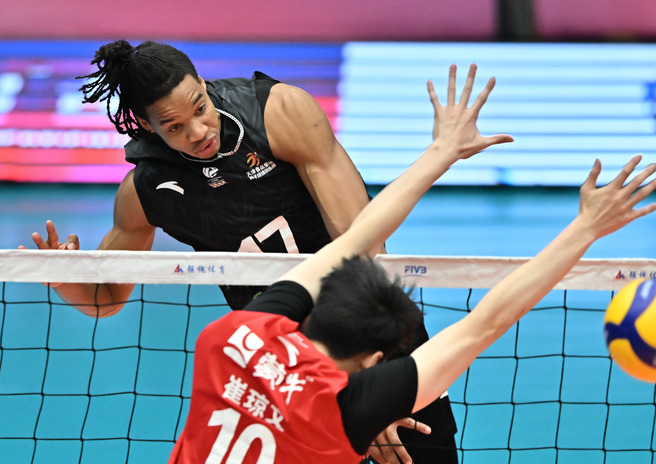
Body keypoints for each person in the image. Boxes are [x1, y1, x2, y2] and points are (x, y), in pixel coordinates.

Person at [168, 65, 656, 463]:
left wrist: (442, 151)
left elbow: (355, 240)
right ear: (371, 362)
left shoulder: (228, 337)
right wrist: (586, 228)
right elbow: (486, 323)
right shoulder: (346, 411)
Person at [19, 40, 458, 463]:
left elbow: (364, 245)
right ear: (147, 125)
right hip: (278, 367)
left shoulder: (278, 113)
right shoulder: (146, 190)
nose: (198, 132)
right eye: (174, 127)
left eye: (200, 108)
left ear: (202, 82)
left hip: (373, 334)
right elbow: (106, 297)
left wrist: (369, 391)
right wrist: (65, 280)